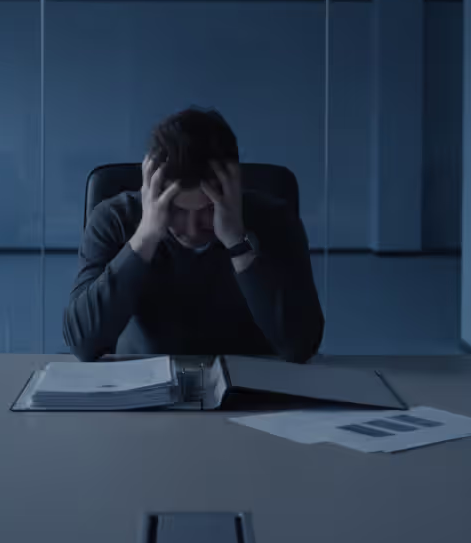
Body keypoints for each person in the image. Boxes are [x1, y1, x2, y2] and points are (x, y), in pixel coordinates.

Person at [64, 108, 324, 362]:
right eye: (175, 209)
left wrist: (236, 240)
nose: (191, 229)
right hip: (144, 389)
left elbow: (300, 346)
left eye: (208, 209)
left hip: (253, 389)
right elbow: (82, 343)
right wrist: (145, 235)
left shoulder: (275, 219)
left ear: (234, 188)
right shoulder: (113, 220)